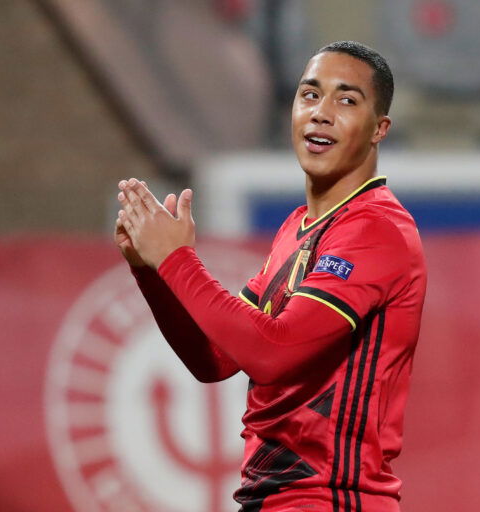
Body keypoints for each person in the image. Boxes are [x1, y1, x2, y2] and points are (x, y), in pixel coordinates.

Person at [114, 41, 426, 512]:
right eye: (309, 95)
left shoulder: (375, 228)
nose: (321, 113)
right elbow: (215, 359)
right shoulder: (296, 228)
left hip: (330, 500)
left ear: (379, 129)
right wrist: (151, 270)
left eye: (346, 100)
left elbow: (273, 352)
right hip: (275, 500)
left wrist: (178, 258)